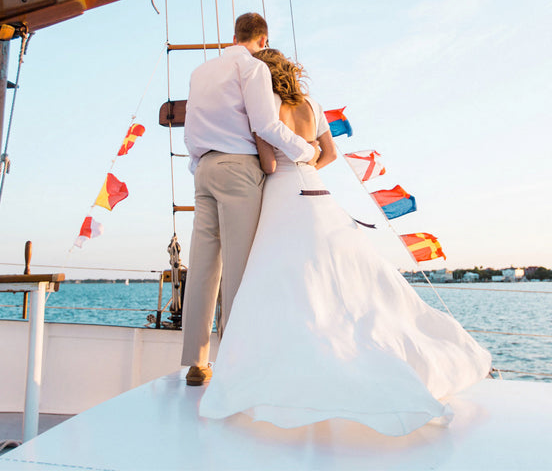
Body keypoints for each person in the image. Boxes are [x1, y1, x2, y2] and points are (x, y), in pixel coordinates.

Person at [198, 49, 492, 436]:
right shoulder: (313, 105)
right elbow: (331, 153)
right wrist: (307, 165)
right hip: (318, 191)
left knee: (283, 276)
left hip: (282, 193)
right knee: (337, 271)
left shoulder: (265, 107)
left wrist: (279, 166)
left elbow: (268, 164)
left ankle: (291, 360)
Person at [181, 14, 320, 387]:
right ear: (263, 40)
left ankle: (196, 362)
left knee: (202, 267)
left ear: (234, 36)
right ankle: (235, 361)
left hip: (203, 168)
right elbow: (265, 125)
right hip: (238, 168)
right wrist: (306, 152)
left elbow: (190, 127)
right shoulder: (253, 68)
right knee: (240, 268)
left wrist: (197, 164)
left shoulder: (200, 71)